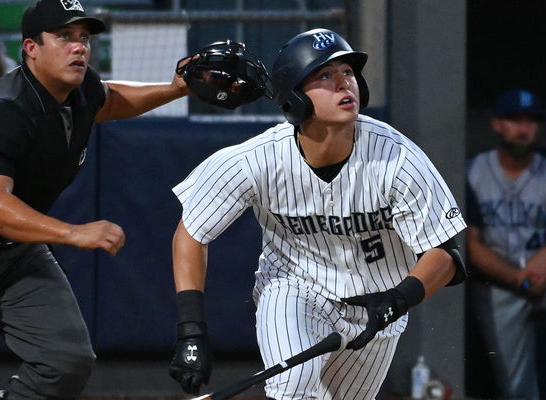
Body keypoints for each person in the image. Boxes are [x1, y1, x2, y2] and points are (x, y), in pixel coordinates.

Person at [168, 28, 467, 399]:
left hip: (377, 308)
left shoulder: (398, 157)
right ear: (295, 96)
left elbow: (446, 252)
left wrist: (399, 299)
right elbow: (192, 233)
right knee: (293, 389)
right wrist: (192, 329)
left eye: (347, 73)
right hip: (294, 289)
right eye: (325, 76)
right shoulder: (256, 160)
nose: (344, 83)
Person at [0, 0, 191, 398]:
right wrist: (73, 232)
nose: (79, 47)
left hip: (16, 251)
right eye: (64, 37)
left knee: (66, 362)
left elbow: (109, 100)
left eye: (84, 38)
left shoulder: (79, 90)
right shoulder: (1, 108)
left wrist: (175, 88)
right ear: (30, 48)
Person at [466, 88, 546, 400]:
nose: (524, 128)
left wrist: (536, 271)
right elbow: (469, 243)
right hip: (500, 284)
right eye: (515, 120)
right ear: (498, 124)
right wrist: (517, 278)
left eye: (531, 121)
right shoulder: (473, 171)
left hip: (541, 275)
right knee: (513, 385)